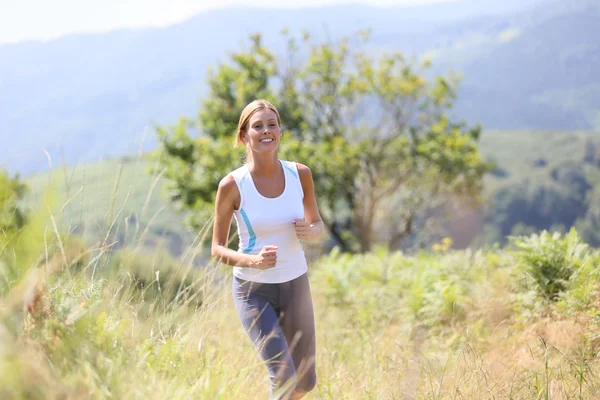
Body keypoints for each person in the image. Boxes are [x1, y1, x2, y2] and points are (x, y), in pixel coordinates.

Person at [211, 99, 324, 399]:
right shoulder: (232, 185)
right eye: (257, 126)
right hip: (253, 291)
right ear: (243, 135)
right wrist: (253, 260)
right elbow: (217, 248)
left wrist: (310, 232)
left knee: (305, 380)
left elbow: (318, 224)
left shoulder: (300, 174)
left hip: (295, 286)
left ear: (280, 131)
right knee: (284, 376)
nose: (266, 131)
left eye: (271, 124)